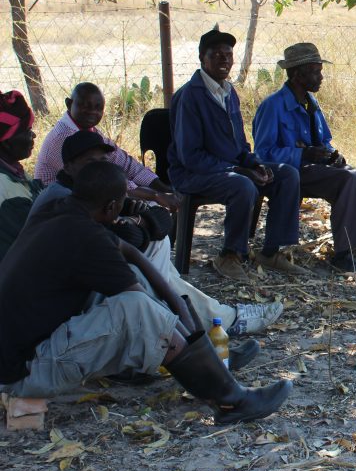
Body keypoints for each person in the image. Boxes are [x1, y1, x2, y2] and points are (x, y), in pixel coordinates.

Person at [0, 161, 291, 424]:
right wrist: (129, 250)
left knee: (132, 293)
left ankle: (209, 363)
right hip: (21, 375)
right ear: (111, 207)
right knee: (138, 308)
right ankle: (229, 399)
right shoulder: (88, 238)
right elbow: (149, 304)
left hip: (21, 352)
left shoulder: (56, 208)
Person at [30, 130, 283, 339]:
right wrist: (140, 224)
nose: (98, 169)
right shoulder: (64, 198)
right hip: (74, 298)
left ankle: (203, 324)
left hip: (94, 281)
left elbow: (161, 220)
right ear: (69, 166)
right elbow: (125, 239)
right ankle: (206, 324)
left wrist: (140, 221)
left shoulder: (94, 189)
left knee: (157, 250)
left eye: (104, 162)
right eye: (90, 162)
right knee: (152, 258)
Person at [253, 43, 356, 274]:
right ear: (297, 75)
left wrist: (333, 155)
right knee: (347, 181)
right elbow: (263, 153)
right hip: (290, 173)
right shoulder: (273, 106)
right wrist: (302, 154)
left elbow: (324, 140)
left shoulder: (311, 104)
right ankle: (344, 254)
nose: (321, 77)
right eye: (315, 71)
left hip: (313, 169)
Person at [167, 26, 304, 281]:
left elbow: (240, 144)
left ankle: (271, 251)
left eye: (228, 54)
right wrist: (235, 170)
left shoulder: (229, 93)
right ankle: (229, 255)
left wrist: (253, 163)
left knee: (286, 174)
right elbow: (190, 156)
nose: (224, 60)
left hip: (227, 168)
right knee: (242, 185)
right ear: (202, 58)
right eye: (216, 54)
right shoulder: (190, 96)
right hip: (191, 173)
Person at [34, 81, 179, 211]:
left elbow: (125, 163)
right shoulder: (64, 137)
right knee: (148, 212)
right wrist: (155, 195)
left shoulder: (89, 130)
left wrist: (164, 189)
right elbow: (102, 181)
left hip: (87, 199)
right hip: (60, 208)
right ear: (69, 104)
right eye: (85, 106)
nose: (92, 112)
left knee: (153, 209)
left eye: (98, 108)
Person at [0, 90, 42, 260]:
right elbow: (40, 240)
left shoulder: (14, 171)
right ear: (6, 141)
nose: (33, 135)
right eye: (27, 130)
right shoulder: (5, 190)